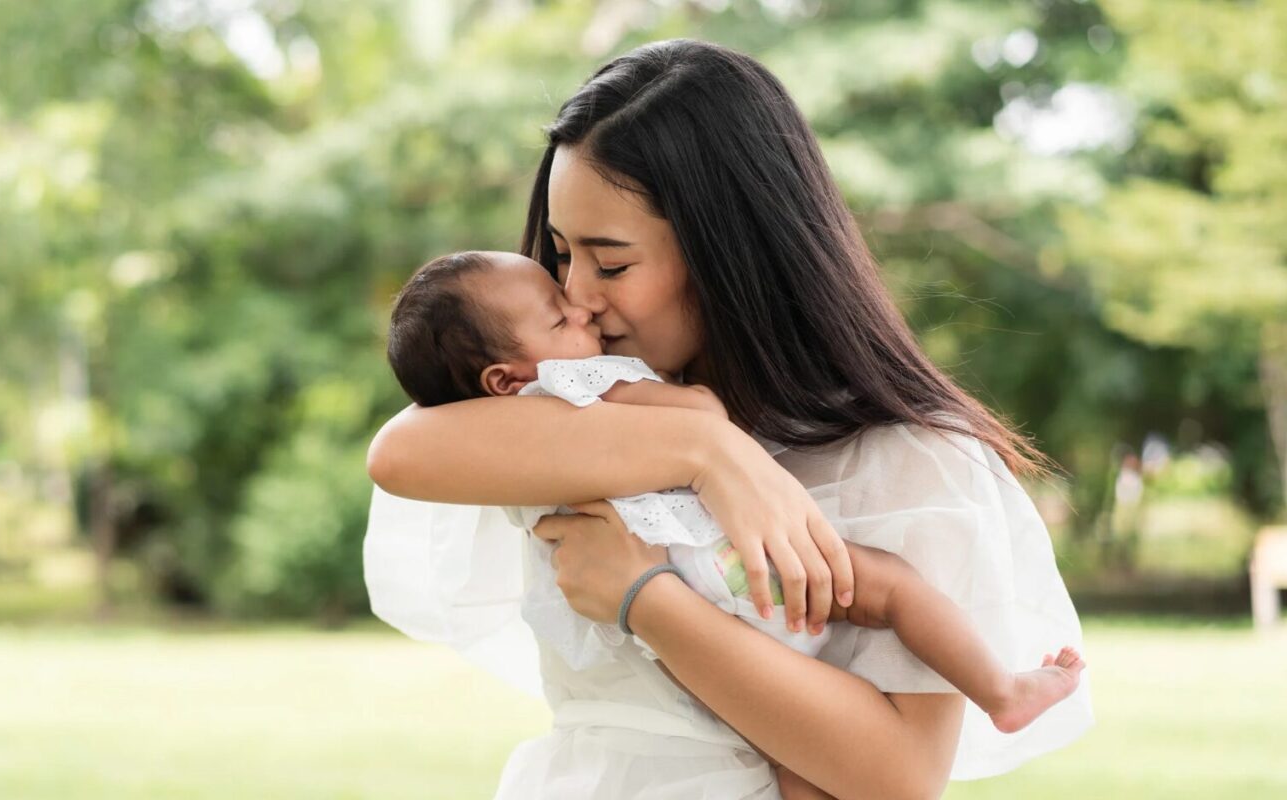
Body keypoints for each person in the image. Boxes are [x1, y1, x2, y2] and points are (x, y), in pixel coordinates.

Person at [363, 39, 1093, 800]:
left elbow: (898, 778)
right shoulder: (580, 418)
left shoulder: (904, 461)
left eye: (610, 263)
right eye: (560, 254)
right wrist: (707, 448)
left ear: (728, 254)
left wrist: (646, 598)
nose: (576, 294)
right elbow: (400, 454)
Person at [380, 247, 1087, 743]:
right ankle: (1000, 689)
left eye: (607, 265)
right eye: (559, 313)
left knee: (786, 749)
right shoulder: (573, 385)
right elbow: (701, 418)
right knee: (893, 589)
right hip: (727, 569)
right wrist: (697, 426)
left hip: (690, 603)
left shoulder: (498, 441)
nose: (583, 309)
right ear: (504, 378)